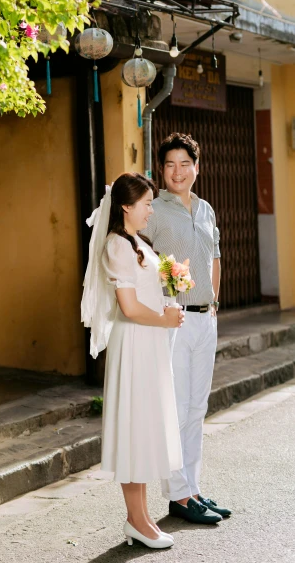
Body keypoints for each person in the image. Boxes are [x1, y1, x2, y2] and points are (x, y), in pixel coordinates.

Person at [81, 172, 185, 550]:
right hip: (135, 343)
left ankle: (141, 519)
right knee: (133, 429)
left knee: (144, 428)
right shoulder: (117, 246)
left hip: (149, 342)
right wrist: (163, 318)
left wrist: (170, 299)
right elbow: (127, 307)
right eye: (146, 204)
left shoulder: (137, 242)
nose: (150, 210)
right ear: (126, 206)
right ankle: (136, 519)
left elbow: (146, 292)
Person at [142, 133, 232, 524]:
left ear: (197, 167)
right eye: (169, 164)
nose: (177, 172)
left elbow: (214, 257)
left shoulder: (207, 209)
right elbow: (142, 259)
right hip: (172, 317)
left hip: (204, 318)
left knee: (197, 408)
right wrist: (168, 285)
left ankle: (193, 488)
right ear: (161, 170)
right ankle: (178, 497)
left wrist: (214, 302)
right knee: (177, 409)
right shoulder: (154, 210)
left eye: (184, 164)